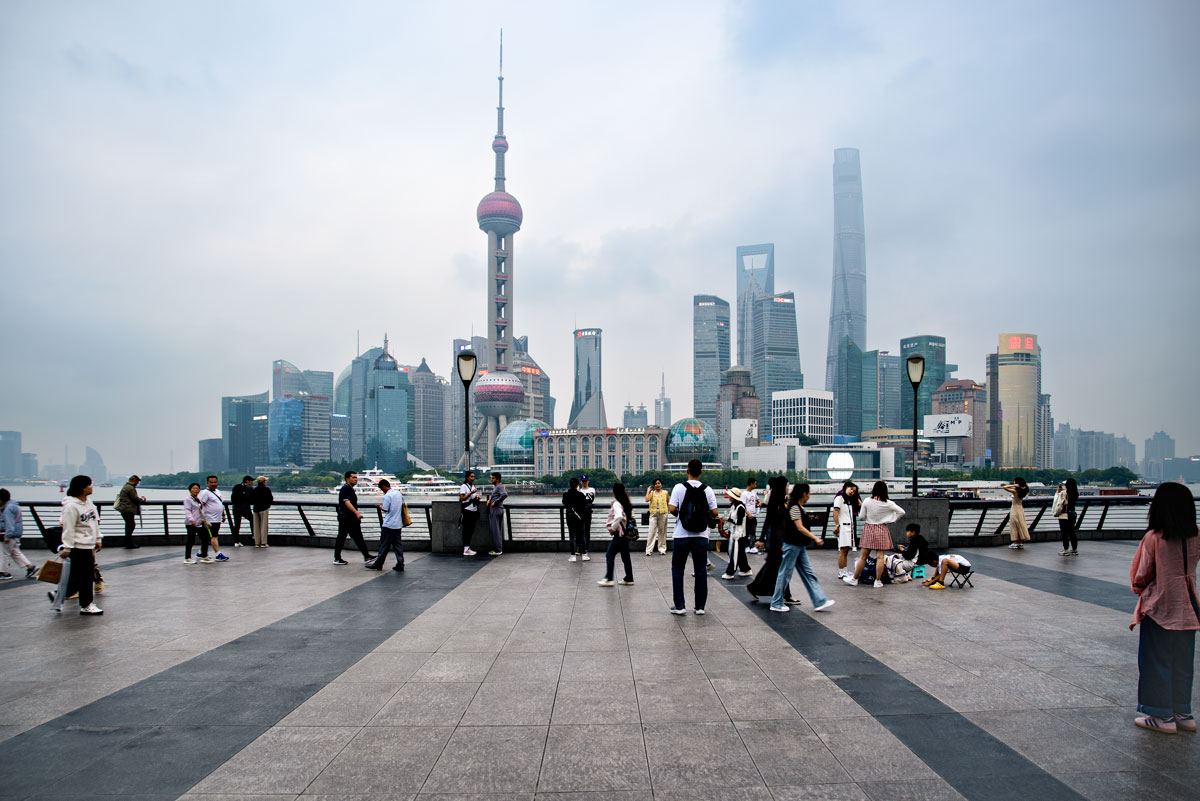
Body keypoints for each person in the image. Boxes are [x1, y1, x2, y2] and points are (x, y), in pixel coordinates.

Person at [1129, 482, 1199, 734]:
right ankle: (1183, 712)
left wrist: (1139, 588)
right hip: (1189, 605)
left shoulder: (1154, 538)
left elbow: (1142, 575)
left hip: (1161, 606)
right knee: (1183, 661)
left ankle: (1161, 716)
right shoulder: (1196, 535)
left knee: (1156, 660)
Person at [770, 483, 834, 613]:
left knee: (807, 573)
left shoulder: (797, 507)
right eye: (809, 493)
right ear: (804, 494)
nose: (809, 496)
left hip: (798, 545)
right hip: (792, 545)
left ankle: (819, 601)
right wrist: (815, 538)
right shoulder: (794, 508)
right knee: (785, 574)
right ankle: (776, 603)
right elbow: (799, 527)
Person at [667, 459, 718, 615]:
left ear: (687, 470)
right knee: (701, 570)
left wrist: (681, 516)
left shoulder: (678, 488)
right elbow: (715, 513)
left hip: (681, 534)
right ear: (701, 472)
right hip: (701, 536)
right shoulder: (707, 490)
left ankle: (680, 605)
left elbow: (672, 508)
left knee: (677, 570)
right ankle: (700, 607)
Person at [844, 481, 905, 588]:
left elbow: (861, 517)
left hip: (869, 528)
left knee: (863, 557)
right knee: (880, 557)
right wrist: (890, 519)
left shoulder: (867, 501)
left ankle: (855, 579)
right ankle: (877, 581)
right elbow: (902, 512)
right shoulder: (888, 503)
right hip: (882, 528)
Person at [746, 476, 796, 604]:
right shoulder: (775, 502)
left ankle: (756, 588)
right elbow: (768, 521)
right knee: (780, 567)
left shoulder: (779, 501)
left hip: (778, 538)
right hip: (776, 539)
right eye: (787, 485)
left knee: (774, 566)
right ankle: (785, 594)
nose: (788, 488)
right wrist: (762, 539)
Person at [60, 475, 103, 615]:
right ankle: (86, 604)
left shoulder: (89, 503)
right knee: (85, 577)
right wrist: (67, 547)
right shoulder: (71, 507)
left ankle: (60, 593)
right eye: (89, 485)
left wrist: (98, 538)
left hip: (88, 545)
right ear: (82, 488)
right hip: (78, 546)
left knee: (78, 575)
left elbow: (94, 522)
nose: (92, 487)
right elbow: (69, 528)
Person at [598, 482, 635, 587]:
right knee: (625, 556)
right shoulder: (626, 502)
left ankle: (609, 578)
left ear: (614, 492)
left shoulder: (617, 503)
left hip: (619, 534)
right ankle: (629, 578)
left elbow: (618, 516)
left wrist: (613, 528)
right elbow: (630, 516)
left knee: (609, 554)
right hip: (626, 533)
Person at [366, 479, 405, 571]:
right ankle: (400, 564)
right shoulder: (398, 494)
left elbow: (386, 509)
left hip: (389, 525)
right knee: (398, 546)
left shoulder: (388, 496)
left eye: (381, 489)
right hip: (398, 524)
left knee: (383, 546)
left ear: (383, 487)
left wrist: (379, 507)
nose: (381, 490)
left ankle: (378, 564)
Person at [335, 470, 372, 565]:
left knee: (358, 536)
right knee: (342, 537)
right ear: (347, 479)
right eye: (354, 477)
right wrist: (356, 513)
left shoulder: (350, 488)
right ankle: (337, 558)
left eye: (356, 478)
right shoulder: (345, 488)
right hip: (346, 518)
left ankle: (367, 556)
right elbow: (346, 502)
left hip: (351, 518)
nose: (356, 479)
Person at [0, 488, 37, 579]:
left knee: (4, 553)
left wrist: (7, 536)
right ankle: (30, 567)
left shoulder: (8, 509)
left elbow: (9, 523)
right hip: (16, 534)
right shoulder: (14, 505)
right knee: (15, 552)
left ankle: (4, 573)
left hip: (8, 534)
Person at [719, 488, 752, 579]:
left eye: (730, 496)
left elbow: (739, 521)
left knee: (734, 553)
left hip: (738, 535)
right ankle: (745, 569)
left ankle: (730, 572)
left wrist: (728, 519)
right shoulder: (734, 506)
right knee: (740, 553)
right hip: (735, 533)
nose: (728, 497)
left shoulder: (740, 507)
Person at [197, 475, 229, 562]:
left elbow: (220, 504)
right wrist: (202, 518)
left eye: (215, 482)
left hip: (217, 519)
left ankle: (200, 552)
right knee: (214, 537)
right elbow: (200, 505)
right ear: (207, 483)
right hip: (210, 520)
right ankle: (218, 554)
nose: (213, 484)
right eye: (211, 482)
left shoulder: (218, 491)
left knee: (207, 537)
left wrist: (223, 514)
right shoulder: (205, 493)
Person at [832, 480, 861, 579]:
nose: (852, 492)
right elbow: (835, 512)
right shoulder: (839, 498)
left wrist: (856, 496)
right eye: (851, 489)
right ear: (846, 487)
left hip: (850, 527)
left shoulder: (850, 500)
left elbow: (861, 506)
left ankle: (844, 570)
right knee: (843, 550)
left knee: (846, 551)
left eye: (854, 491)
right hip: (843, 527)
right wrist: (837, 525)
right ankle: (841, 571)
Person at [113, 475, 146, 549]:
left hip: (125, 509)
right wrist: (142, 500)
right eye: (137, 482)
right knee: (130, 525)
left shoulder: (126, 487)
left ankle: (128, 542)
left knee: (129, 526)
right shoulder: (130, 488)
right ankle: (129, 543)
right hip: (128, 509)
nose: (137, 484)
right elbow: (135, 498)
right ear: (134, 481)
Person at [182, 482, 212, 563]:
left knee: (206, 538)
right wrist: (192, 520)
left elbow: (201, 510)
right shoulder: (188, 499)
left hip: (199, 523)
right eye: (194, 488)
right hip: (191, 523)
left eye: (197, 488)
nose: (195, 490)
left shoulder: (198, 499)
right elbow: (188, 511)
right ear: (190, 490)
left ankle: (204, 555)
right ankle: (187, 558)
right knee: (191, 540)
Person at [562, 477, 588, 562]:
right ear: (578, 485)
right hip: (580, 518)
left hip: (570, 518)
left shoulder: (565, 495)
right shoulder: (581, 495)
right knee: (582, 536)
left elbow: (564, 503)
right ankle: (584, 554)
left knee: (572, 536)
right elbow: (585, 504)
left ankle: (573, 556)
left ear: (569, 485)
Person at [1003, 477, 1031, 550]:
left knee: (1014, 525)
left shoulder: (1015, 491)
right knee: (1021, 524)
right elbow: (1026, 486)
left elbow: (1004, 487)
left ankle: (1015, 542)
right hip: (1020, 508)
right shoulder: (1024, 490)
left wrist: (1014, 485)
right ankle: (1021, 542)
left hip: (1014, 508)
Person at [1054, 478, 1080, 556]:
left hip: (1064, 515)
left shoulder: (1064, 493)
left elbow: (1058, 501)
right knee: (1072, 532)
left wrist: (1058, 491)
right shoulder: (1075, 493)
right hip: (1072, 514)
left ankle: (1066, 550)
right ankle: (1074, 549)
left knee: (1064, 533)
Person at [644, 479, 669, 555]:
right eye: (656, 483)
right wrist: (648, 491)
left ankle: (662, 549)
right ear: (654, 485)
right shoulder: (652, 493)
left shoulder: (665, 493)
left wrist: (666, 511)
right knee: (651, 532)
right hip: (653, 514)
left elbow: (668, 502)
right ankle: (648, 550)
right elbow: (647, 500)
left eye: (659, 483)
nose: (657, 485)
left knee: (662, 532)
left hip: (663, 513)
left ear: (661, 484)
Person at [459, 470, 481, 557]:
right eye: (471, 476)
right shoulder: (463, 486)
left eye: (474, 477)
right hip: (467, 510)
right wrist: (471, 493)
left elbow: (473, 497)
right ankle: (466, 548)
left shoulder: (473, 486)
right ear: (467, 477)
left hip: (474, 510)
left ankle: (468, 548)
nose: (473, 478)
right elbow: (462, 498)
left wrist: (477, 496)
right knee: (466, 530)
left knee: (471, 530)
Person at [230, 475, 255, 547]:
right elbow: (251, 498)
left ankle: (236, 541)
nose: (252, 483)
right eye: (251, 481)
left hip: (236, 508)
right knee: (252, 520)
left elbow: (233, 498)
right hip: (244, 508)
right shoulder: (249, 489)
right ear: (247, 481)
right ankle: (253, 536)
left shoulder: (237, 487)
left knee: (237, 525)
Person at [486, 472, 507, 556]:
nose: (491, 480)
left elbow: (505, 494)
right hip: (498, 509)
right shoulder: (497, 487)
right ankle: (498, 549)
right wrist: (490, 501)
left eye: (493, 478)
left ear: (497, 479)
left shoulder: (499, 486)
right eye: (491, 478)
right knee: (497, 530)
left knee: (495, 531)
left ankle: (497, 550)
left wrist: (495, 502)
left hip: (495, 510)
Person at [252, 475, 273, 548]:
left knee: (256, 526)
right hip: (264, 508)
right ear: (264, 482)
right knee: (264, 526)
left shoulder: (254, 490)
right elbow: (270, 498)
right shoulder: (267, 489)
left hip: (256, 509)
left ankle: (257, 543)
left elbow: (252, 499)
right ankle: (263, 543)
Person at [579, 475, 596, 557]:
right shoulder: (579, 490)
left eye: (585, 481)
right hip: (580, 513)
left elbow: (590, 500)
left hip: (587, 513)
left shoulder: (591, 489)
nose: (584, 482)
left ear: (588, 481)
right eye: (583, 481)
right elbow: (585, 500)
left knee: (587, 531)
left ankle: (586, 548)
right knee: (579, 531)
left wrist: (582, 499)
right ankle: (580, 547)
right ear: (580, 481)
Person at [743, 477, 760, 554]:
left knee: (753, 531)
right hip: (747, 516)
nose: (755, 485)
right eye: (755, 484)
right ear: (751, 484)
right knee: (746, 532)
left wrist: (759, 502)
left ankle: (752, 546)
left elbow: (758, 499)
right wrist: (748, 513)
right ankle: (746, 546)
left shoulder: (754, 493)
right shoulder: (744, 494)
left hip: (753, 515)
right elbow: (743, 505)